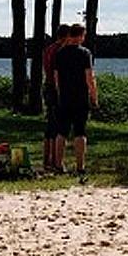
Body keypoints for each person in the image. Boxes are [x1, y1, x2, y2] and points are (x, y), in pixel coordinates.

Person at [52, 23, 98, 180]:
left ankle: (58, 164)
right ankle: (80, 166)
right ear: (79, 36)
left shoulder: (59, 53)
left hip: (64, 97)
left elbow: (56, 77)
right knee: (80, 132)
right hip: (80, 97)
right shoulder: (85, 53)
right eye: (83, 36)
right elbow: (89, 78)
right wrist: (94, 96)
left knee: (61, 132)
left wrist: (60, 93)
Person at [40, 24, 71, 172]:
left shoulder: (48, 50)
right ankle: (54, 161)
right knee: (58, 125)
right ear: (66, 36)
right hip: (56, 89)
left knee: (50, 126)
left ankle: (47, 159)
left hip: (48, 86)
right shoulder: (60, 51)